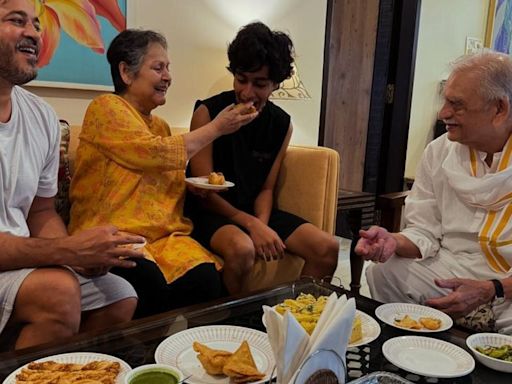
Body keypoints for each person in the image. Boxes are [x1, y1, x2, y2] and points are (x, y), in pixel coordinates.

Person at [68, 29, 257, 317]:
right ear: (126, 73)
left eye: (168, 68)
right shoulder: (105, 108)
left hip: (163, 238)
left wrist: (189, 185)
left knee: (205, 278)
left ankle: (181, 353)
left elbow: (160, 179)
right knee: (148, 281)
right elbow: (152, 153)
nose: (168, 76)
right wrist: (216, 127)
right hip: (114, 232)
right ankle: (137, 357)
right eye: (158, 68)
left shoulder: (160, 126)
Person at [0, 0, 145, 350]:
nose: (34, 33)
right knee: (59, 293)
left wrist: (82, 257)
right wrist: (66, 251)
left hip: (17, 263)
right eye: (16, 20)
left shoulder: (42, 117)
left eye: (36, 24)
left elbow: (41, 211)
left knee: (119, 295)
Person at [355, 51, 512, 333]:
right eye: (445, 100)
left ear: (499, 109)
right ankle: (410, 351)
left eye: (457, 104)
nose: (443, 113)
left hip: (507, 286)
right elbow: (425, 230)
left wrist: (492, 289)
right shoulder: (440, 151)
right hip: (452, 268)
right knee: (385, 273)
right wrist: (392, 241)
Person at [186, 22, 339, 295]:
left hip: (252, 209)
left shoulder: (281, 124)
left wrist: (262, 224)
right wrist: (251, 225)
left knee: (326, 248)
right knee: (242, 247)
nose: (247, 92)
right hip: (209, 210)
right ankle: (232, 326)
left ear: (276, 84)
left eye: (259, 84)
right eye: (241, 79)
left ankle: (294, 322)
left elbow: (266, 187)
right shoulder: (208, 112)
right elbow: (203, 191)